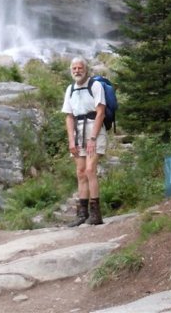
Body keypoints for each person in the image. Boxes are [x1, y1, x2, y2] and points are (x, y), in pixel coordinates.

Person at [62, 56, 107, 225]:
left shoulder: (95, 86)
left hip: (94, 129)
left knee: (89, 170)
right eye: (74, 69)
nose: (77, 71)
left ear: (85, 69)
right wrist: (71, 141)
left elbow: (101, 112)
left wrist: (93, 138)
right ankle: (82, 214)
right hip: (78, 132)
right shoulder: (70, 89)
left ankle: (96, 214)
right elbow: (69, 116)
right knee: (80, 172)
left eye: (79, 68)